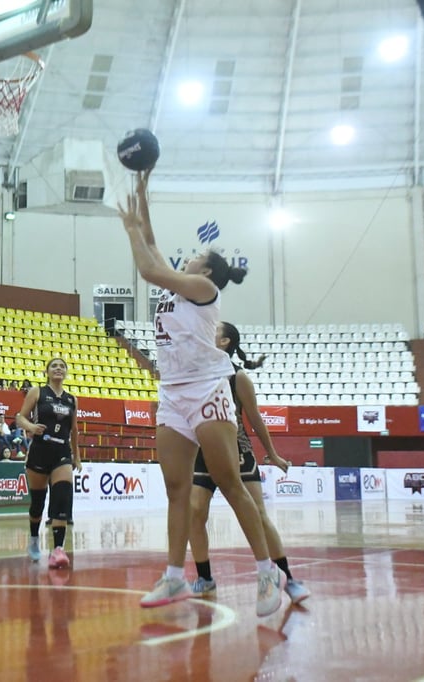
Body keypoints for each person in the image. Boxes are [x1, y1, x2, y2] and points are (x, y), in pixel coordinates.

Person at [118, 171, 283, 615]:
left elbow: (149, 265)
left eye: (193, 255)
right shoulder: (180, 282)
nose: (185, 258)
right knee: (176, 489)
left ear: (206, 270)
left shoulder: (204, 289)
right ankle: (174, 578)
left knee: (230, 482)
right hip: (172, 391)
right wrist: (141, 192)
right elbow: (153, 247)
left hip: (207, 387)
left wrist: (130, 228)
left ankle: (268, 570)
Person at [188, 322, 310, 605]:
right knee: (195, 512)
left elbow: (254, 419)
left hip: (236, 450)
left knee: (256, 513)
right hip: (203, 451)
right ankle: (204, 578)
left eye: (215, 331)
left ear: (225, 342)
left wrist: (273, 453)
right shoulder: (196, 373)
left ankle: (287, 578)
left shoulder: (238, 377)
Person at [15, 357, 81, 570]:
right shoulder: (37, 392)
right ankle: (34, 538)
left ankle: (58, 549)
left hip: (62, 452)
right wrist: (31, 427)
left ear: (66, 372)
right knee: (38, 503)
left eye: (62, 366)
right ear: (47, 372)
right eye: (54, 366)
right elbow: (20, 418)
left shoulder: (72, 399)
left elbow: (74, 430)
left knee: (61, 498)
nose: (58, 369)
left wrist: (76, 456)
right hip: (39, 451)